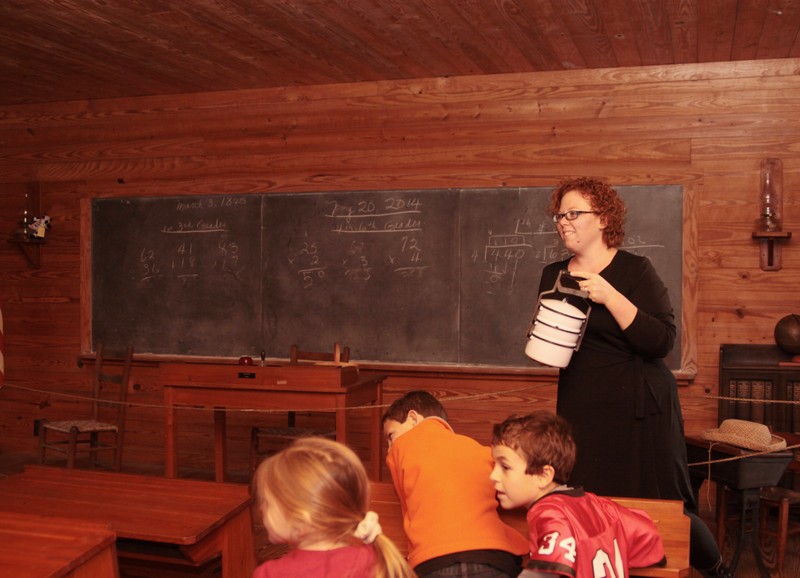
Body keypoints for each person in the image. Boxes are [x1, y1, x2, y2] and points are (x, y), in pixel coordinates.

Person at [536, 176, 730, 577]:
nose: (563, 222)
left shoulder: (635, 271)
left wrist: (611, 297)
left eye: (574, 213)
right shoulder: (553, 273)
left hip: (642, 410)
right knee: (591, 500)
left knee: (662, 503)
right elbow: (556, 340)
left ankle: (717, 570)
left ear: (603, 219)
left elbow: (662, 341)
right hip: (582, 406)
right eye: (559, 215)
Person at [490, 410, 666, 577]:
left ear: (543, 476)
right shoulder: (596, 504)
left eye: (505, 467)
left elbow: (543, 573)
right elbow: (647, 533)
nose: (493, 476)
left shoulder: (550, 513)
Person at [382, 390, 529, 577]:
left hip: (434, 562)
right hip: (492, 555)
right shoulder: (481, 450)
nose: (389, 449)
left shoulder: (401, 447)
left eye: (390, 436)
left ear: (413, 419)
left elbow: (407, 511)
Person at [251, 436, 414, 578]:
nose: (261, 509)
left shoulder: (271, 574)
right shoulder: (377, 562)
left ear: (300, 518)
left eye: (267, 502)